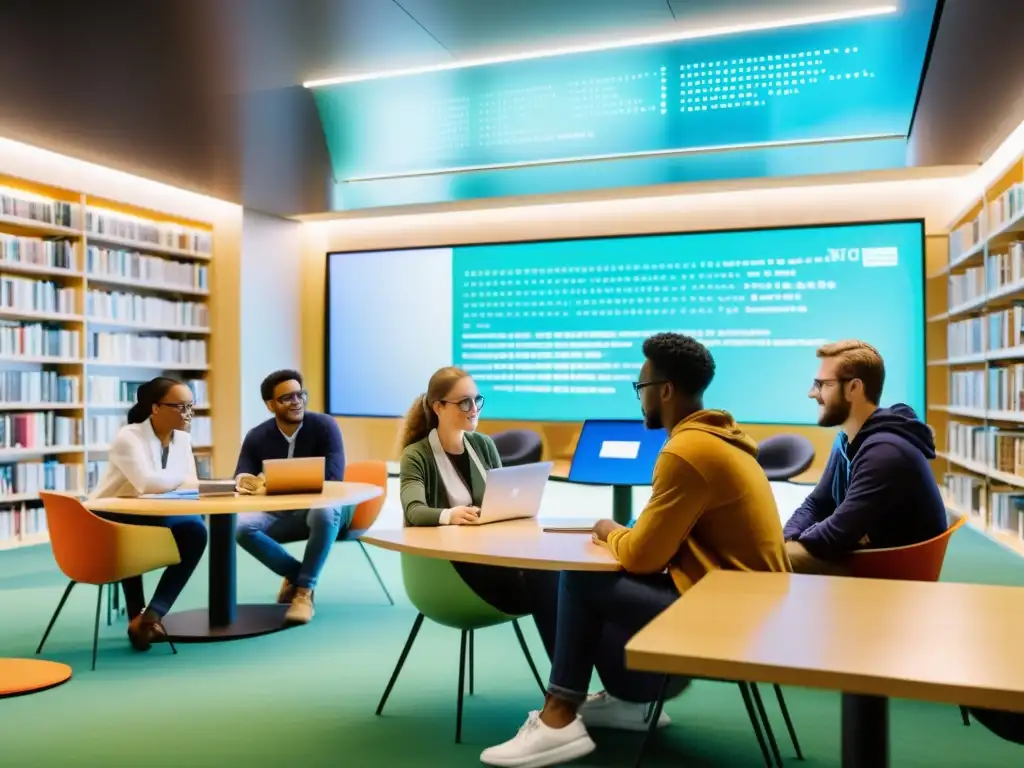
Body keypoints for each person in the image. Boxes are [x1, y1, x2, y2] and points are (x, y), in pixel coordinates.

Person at [480, 333, 791, 768]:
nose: (639, 399)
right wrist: (633, 536)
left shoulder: (686, 451)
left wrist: (608, 530)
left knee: (579, 576)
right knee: (559, 576)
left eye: (640, 388)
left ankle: (558, 718)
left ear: (664, 391)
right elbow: (661, 540)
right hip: (750, 610)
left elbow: (643, 556)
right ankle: (629, 703)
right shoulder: (719, 440)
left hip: (730, 620)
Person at [399, 366, 560, 660]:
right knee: (551, 584)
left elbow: (498, 500)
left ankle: (566, 691)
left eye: (477, 400)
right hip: (452, 571)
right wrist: (450, 515)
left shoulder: (483, 445)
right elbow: (414, 511)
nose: (474, 409)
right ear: (438, 407)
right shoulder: (417, 455)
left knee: (557, 578)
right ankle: (565, 693)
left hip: (493, 559)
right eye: (464, 402)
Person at [782, 340, 947, 575]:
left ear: (854, 388)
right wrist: (787, 537)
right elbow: (817, 504)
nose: (812, 394)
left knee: (764, 560)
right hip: (866, 553)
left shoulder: (886, 453)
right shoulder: (846, 439)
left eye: (822, 385)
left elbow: (835, 534)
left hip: (892, 570)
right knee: (775, 552)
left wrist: (785, 548)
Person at [89, 376, 208, 651]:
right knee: (134, 535)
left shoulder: (182, 439)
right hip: (108, 517)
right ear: (155, 408)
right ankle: (136, 617)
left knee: (196, 530)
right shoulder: (128, 437)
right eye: (180, 406)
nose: (188, 413)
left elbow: (185, 483)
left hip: (154, 512)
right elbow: (147, 483)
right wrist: (180, 480)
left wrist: (178, 481)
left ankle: (151, 615)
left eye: (191, 405)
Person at [233, 369, 348, 625]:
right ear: (270, 405)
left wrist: (271, 484)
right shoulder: (256, 435)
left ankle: (304, 592)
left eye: (300, 394)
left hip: (325, 506)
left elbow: (332, 478)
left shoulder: (324, 426)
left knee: (324, 511)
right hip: (282, 510)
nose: (296, 401)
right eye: (287, 397)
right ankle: (297, 574)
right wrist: (245, 481)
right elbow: (241, 474)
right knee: (241, 527)